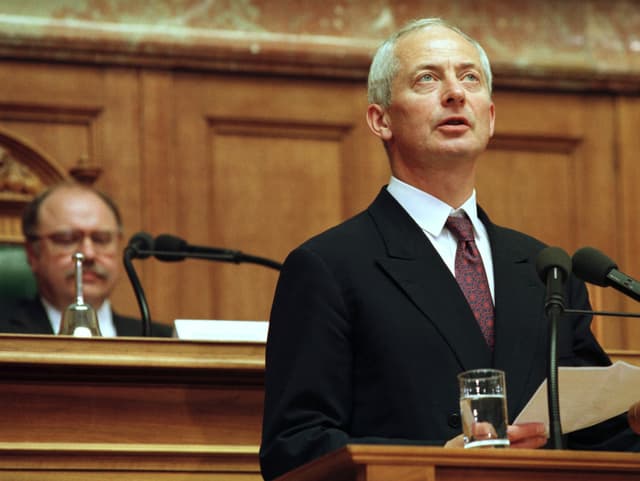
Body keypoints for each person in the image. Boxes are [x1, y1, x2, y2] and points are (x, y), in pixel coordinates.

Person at [259, 17, 640, 480]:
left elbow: (593, 434)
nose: (455, 93)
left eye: (470, 78)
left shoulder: (547, 271)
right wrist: (441, 456)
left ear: (491, 116)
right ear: (381, 120)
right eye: (427, 78)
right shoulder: (329, 267)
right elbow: (295, 445)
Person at [0, 181, 173, 337]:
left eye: (101, 239)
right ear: (32, 254)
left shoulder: (163, 341)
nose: (88, 254)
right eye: (67, 239)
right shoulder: (5, 335)